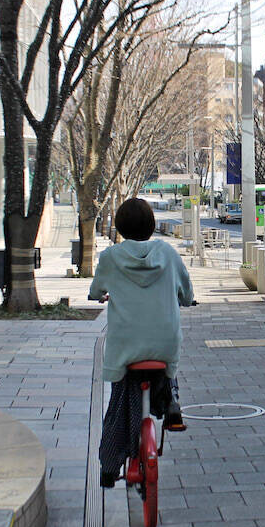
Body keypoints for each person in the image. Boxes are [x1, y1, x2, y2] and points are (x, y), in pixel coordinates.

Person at [88, 197, 194, 487]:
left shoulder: (110, 257)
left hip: (125, 346)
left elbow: (96, 290)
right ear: (151, 225)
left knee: (118, 401)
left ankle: (109, 467)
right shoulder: (168, 254)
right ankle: (172, 401)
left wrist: (100, 294)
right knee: (167, 367)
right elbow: (186, 292)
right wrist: (186, 299)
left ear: (120, 227)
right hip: (164, 342)